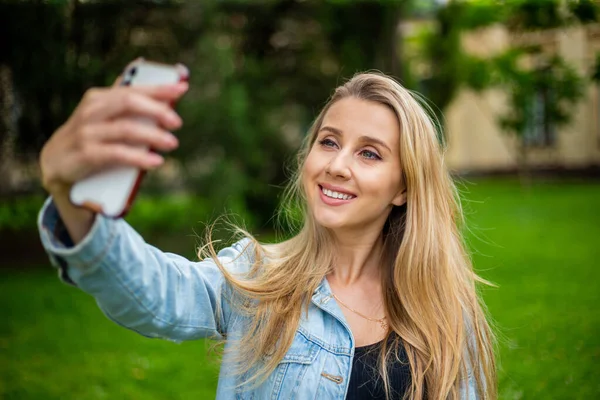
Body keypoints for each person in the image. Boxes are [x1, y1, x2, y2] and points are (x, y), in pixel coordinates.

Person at [38, 68, 496, 399]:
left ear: (403, 187)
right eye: (329, 141)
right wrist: (71, 197)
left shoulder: (443, 308)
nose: (337, 166)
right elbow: (157, 293)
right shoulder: (258, 279)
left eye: (370, 154)